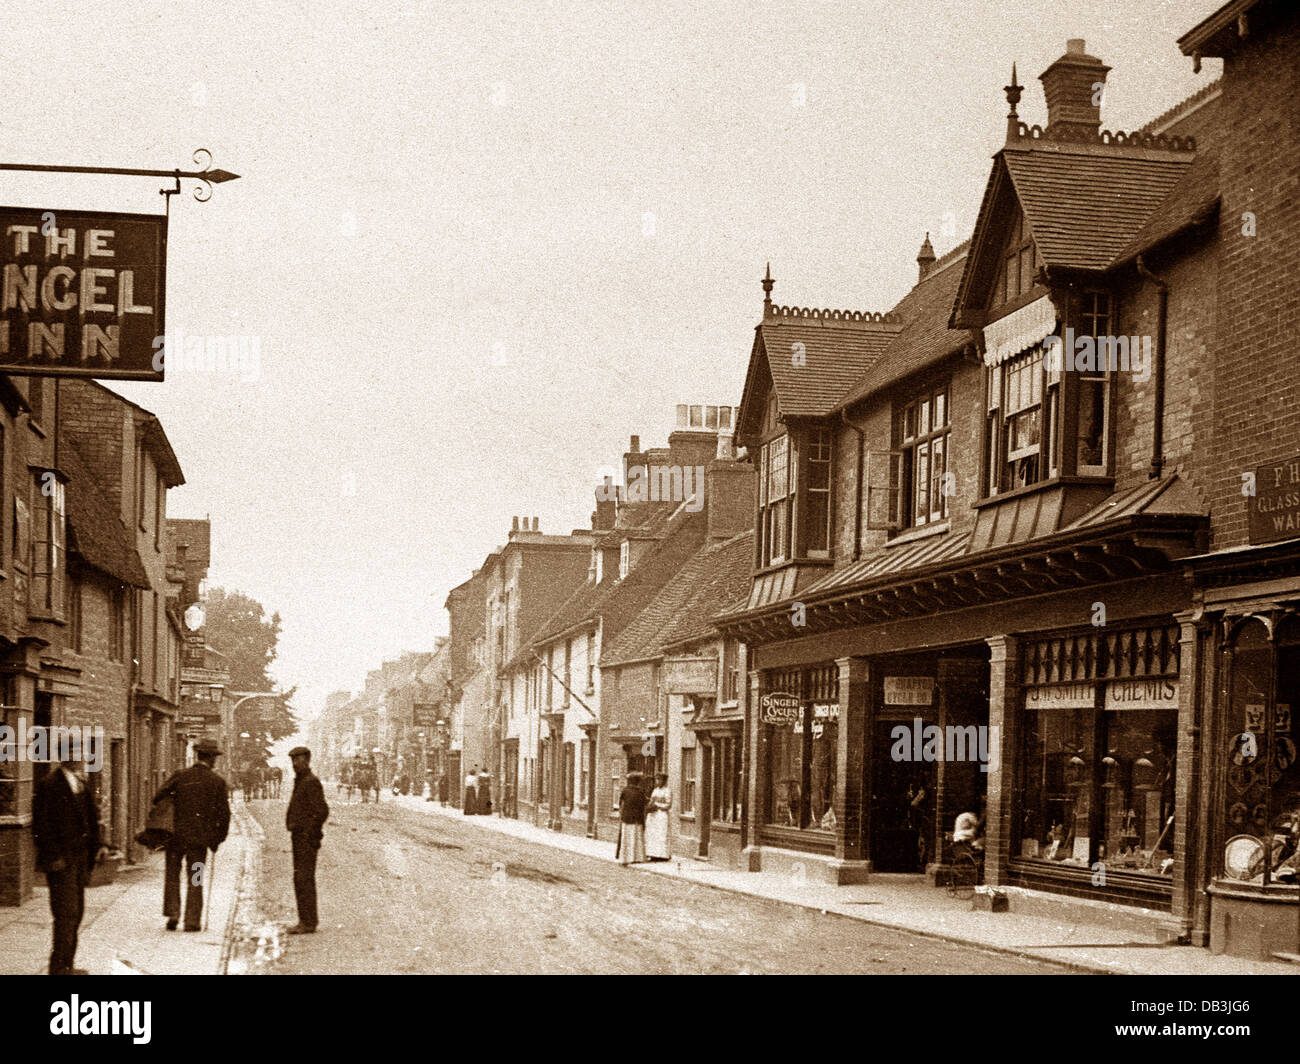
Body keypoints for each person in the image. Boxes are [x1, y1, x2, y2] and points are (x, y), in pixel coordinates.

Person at [32, 741, 105, 975]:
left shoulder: (80, 783)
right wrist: (53, 857)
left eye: (82, 753)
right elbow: (41, 825)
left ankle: (68, 965)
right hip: (62, 860)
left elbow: (91, 820)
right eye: (75, 753)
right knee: (66, 914)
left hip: (80, 859)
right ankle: (59, 968)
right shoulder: (50, 785)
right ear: (65, 757)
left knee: (77, 913)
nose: (82, 757)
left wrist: (99, 846)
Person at [153, 738, 230, 932]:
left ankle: (173, 914)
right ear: (212, 759)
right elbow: (224, 815)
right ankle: (192, 920)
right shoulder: (217, 782)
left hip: (175, 838)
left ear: (198, 755)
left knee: (172, 875)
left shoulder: (181, 775)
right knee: (195, 878)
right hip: (199, 842)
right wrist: (216, 839)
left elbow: (158, 797)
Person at [285, 746, 330, 934]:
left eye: (299, 760)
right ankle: (306, 919)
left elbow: (321, 811)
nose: (295, 764)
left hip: (305, 839)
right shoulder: (302, 780)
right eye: (293, 761)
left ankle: (308, 922)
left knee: (303, 878)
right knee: (301, 878)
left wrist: (309, 832)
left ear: (307, 760)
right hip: (300, 838)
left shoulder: (310, 782)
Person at [617, 771, 648, 866]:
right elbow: (645, 805)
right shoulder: (641, 792)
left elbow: (621, 805)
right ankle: (637, 857)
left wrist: (621, 815)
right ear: (637, 782)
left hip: (626, 818)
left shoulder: (625, 791)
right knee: (636, 837)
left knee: (627, 838)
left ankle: (626, 857)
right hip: (637, 818)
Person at [645, 773, 672, 860]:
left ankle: (662, 855)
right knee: (652, 834)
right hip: (653, 815)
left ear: (664, 781)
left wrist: (658, 805)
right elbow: (651, 801)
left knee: (661, 834)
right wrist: (649, 805)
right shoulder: (655, 790)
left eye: (660, 779)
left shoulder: (667, 791)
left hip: (661, 815)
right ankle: (652, 854)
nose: (658, 781)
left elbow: (668, 805)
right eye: (657, 779)